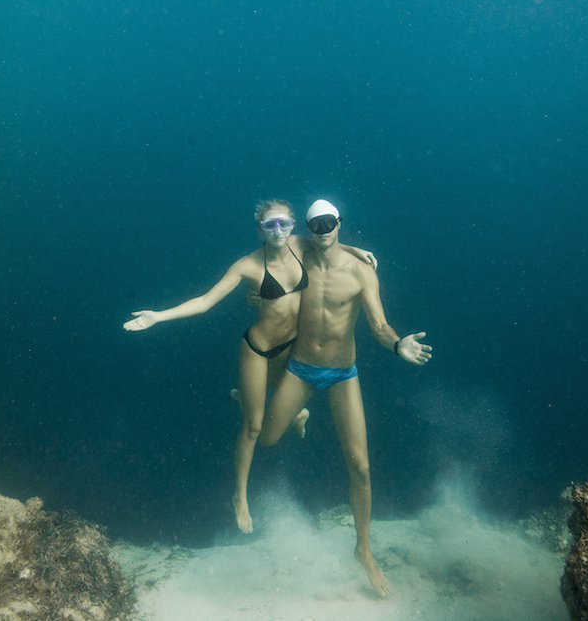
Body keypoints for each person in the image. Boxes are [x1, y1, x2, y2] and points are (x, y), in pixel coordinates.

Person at [124, 199, 376, 533]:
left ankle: (262, 403)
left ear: (293, 225)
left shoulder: (300, 245)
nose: (278, 231)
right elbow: (204, 302)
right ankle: (240, 496)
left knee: (276, 409)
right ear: (259, 228)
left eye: (284, 224)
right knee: (254, 427)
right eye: (270, 225)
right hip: (258, 349)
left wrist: (357, 250)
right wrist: (158, 316)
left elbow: (329, 240)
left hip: (293, 350)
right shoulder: (248, 266)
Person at [258, 199, 432, 597]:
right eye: (314, 224)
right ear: (308, 228)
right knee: (266, 438)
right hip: (301, 368)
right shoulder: (296, 252)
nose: (322, 230)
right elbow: (277, 245)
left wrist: (397, 344)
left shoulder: (361, 272)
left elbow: (378, 324)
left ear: (340, 223)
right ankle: (298, 413)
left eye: (329, 223)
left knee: (361, 467)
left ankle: (364, 550)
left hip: (342, 374)